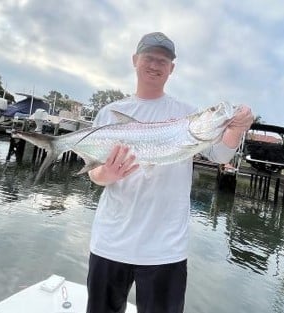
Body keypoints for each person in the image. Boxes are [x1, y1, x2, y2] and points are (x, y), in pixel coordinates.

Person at [86, 32, 253, 313]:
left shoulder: (187, 115)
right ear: (135, 60)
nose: (155, 64)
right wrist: (107, 175)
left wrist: (236, 128)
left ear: (172, 68)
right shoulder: (110, 113)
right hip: (110, 242)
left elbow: (221, 155)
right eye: (149, 57)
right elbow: (94, 174)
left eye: (163, 60)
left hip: (165, 249)